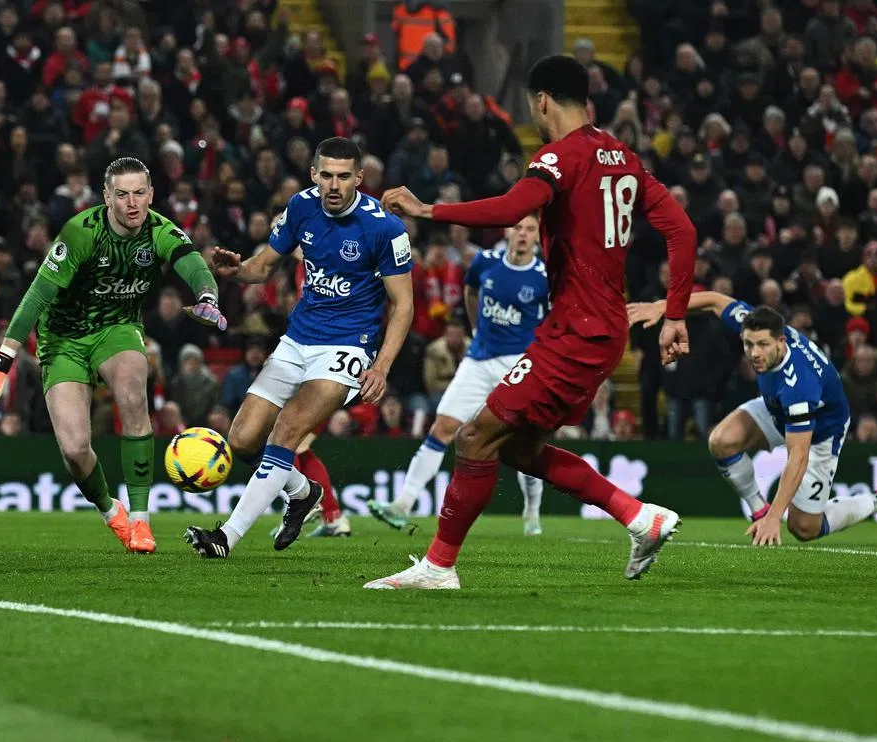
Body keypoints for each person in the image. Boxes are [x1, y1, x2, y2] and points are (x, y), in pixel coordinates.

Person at [368, 54, 697, 589]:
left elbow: (509, 208)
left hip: (576, 332)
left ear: (541, 100)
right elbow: (682, 229)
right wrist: (675, 313)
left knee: (474, 437)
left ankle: (438, 567)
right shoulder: (623, 157)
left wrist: (429, 211)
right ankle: (640, 517)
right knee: (519, 449)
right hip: (598, 328)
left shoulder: (559, 158)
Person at [0, 157, 226, 554]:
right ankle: (111, 512)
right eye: (122, 195)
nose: (132, 203)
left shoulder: (159, 230)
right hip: (63, 340)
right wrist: (2, 361)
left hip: (117, 329)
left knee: (133, 388)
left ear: (151, 194)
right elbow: (38, 294)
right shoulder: (80, 232)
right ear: (107, 197)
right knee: (74, 449)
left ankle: (141, 520)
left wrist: (207, 295)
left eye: (140, 193)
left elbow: (190, 262)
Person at [184, 137, 414, 558]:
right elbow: (263, 267)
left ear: (359, 179)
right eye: (326, 174)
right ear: (314, 174)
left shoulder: (384, 228)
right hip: (296, 340)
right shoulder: (300, 206)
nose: (334, 184)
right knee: (242, 440)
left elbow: (403, 305)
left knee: (288, 429)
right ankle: (305, 492)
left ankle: (226, 537)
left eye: (344, 176)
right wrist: (236, 271)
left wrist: (380, 366)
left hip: (347, 349)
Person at [628, 293, 877, 544]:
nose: (754, 353)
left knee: (803, 528)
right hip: (776, 408)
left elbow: (798, 456)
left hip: (820, 431)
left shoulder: (798, 385)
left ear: (781, 342)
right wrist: (664, 307)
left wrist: (777, 517)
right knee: (722, 442)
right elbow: (715, 301)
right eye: (748, 344)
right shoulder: (760, 327)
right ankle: (758, 511)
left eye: (763, 345)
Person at [367, 215, 549, 536]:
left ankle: (532, 513)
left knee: (525, 441)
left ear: (537, 235)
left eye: (529, 229)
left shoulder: (544, 276)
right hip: (478, 360)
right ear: (507, 230)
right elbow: (470, 291)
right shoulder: (485, 261)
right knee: (442, 428)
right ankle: (402, 505)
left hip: (519, 364)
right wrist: (477, 330)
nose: (522, 234)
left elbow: (553, 320)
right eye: (517, 227)